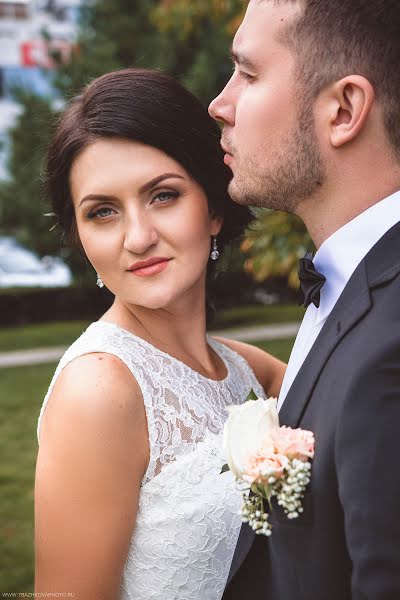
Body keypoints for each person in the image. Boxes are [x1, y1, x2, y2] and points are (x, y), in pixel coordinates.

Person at [34, 68, 286, 600]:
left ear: (214, 207)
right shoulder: (100, 392)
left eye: (163, 196)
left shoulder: (247, 369)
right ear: (81, 238)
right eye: (102, 212)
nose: (139, 237)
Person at [209, 0, 400, 598]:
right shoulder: (355, 285)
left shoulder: (390, 351)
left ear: (343, 109)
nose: (221, 103)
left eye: (250, 73)